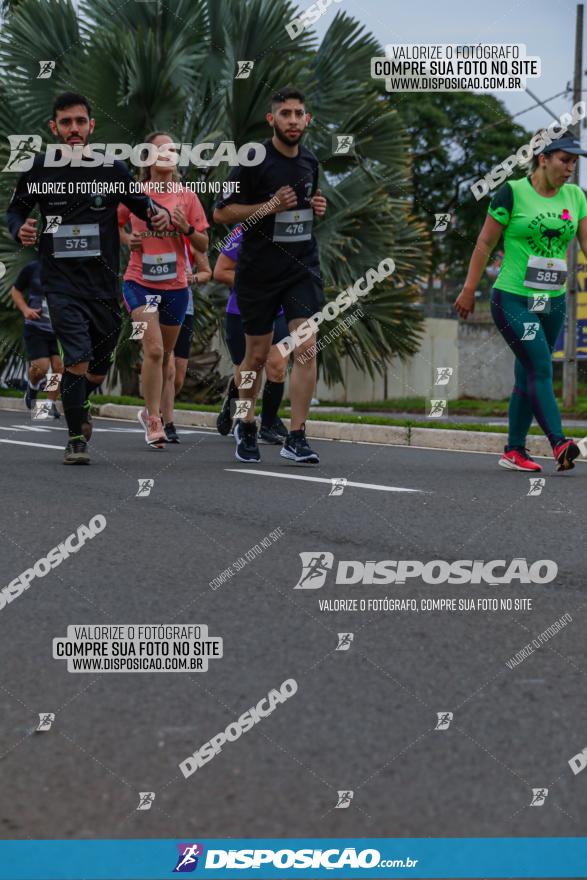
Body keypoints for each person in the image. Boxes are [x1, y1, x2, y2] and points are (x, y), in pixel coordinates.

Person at [6, 92, 172, 464]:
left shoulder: (111, 169)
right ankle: (76, 439)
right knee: (76, 360)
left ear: (91, 126)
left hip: (102, 286)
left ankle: (82, 403)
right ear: (55, 128)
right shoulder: (39, 169)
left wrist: (158, 215)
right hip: (60, 283)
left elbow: (143, 205)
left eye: (80, 121)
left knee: (96, 370)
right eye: (66, 123)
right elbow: (14, 213)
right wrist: (21, 229)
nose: (74, 129)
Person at [455, 129, 587, 472]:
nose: (570, 168)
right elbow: (484, 244)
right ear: (543, 158)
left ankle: (513, 450)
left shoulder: (576, 197)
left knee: (527, 372)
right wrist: (469, 289)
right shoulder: (511, 193)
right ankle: (560, 442)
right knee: (541, 365)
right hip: (513, 298)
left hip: (552, 300)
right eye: (564, 160)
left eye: (574, 162)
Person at [213, 86, 327, 464]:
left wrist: (317, 205)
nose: (293, 120)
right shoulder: (251, 160)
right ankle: (245, 422)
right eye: (285, 114)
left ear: (306, 118)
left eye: (298, 113)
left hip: (301, 268)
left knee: (306, 345)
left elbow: (305, 205)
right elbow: (221, 213)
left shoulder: (310, 160)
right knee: (257, 357)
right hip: (259, 273)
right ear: (272, 119)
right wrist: (269, 205)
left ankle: (296, 436)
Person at [118, 132, 209, 448]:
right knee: (154, 350)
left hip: (175, 287)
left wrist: (186, 228)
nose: (167, 153)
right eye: (159, 149)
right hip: (138, 282)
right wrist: (126, 239)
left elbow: (203, 244)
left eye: (172, 149)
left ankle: (152, 413)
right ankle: (154, 419)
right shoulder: (134, 193)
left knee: (166, 353)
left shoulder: (187, 196)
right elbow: (115, 223)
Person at [213, 224, 290, 444]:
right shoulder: (244, 231)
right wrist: (257, 287)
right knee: (248, 371)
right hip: (243, 310)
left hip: (278, 310)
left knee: (277, 366)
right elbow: (220, 271)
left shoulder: (289, 232)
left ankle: (268, 424)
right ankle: (238, 410)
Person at [161, 243, 212, 442]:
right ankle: (167, 423)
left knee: (178, 377)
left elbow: (207, 272)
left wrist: (193, 277)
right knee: (169, 368)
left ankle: (154, 410)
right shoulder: (152, 234)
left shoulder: (191, 240)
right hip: (154, 304)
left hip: (184, 307)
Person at [10, 258, 62, 417]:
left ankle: (48, 406)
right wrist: (25, 309)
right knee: (41, 368)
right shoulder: (33, 267)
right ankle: (32, 387)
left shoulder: (69, 269)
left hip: (61, 330)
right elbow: (16, 291)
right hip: (36, 328)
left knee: (59, 367)